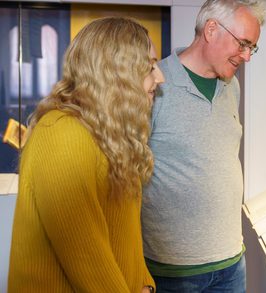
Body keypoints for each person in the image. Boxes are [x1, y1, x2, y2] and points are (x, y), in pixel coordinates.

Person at [8, 17, 165, 292]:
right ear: (117, 72)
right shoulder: (61, 133)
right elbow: (87, 261)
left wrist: (146, 286)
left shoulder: (108, 135)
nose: (160, 77)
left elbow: (126, 240)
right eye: (150, 66)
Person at [140, 0, 265, 292]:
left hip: (232, 263)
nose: (247, 56)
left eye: (252, 48)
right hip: (173, 272)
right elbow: (128, 175)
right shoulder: (156, 83)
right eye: (243, 44)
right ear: (211, 29)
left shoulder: (231, 85)